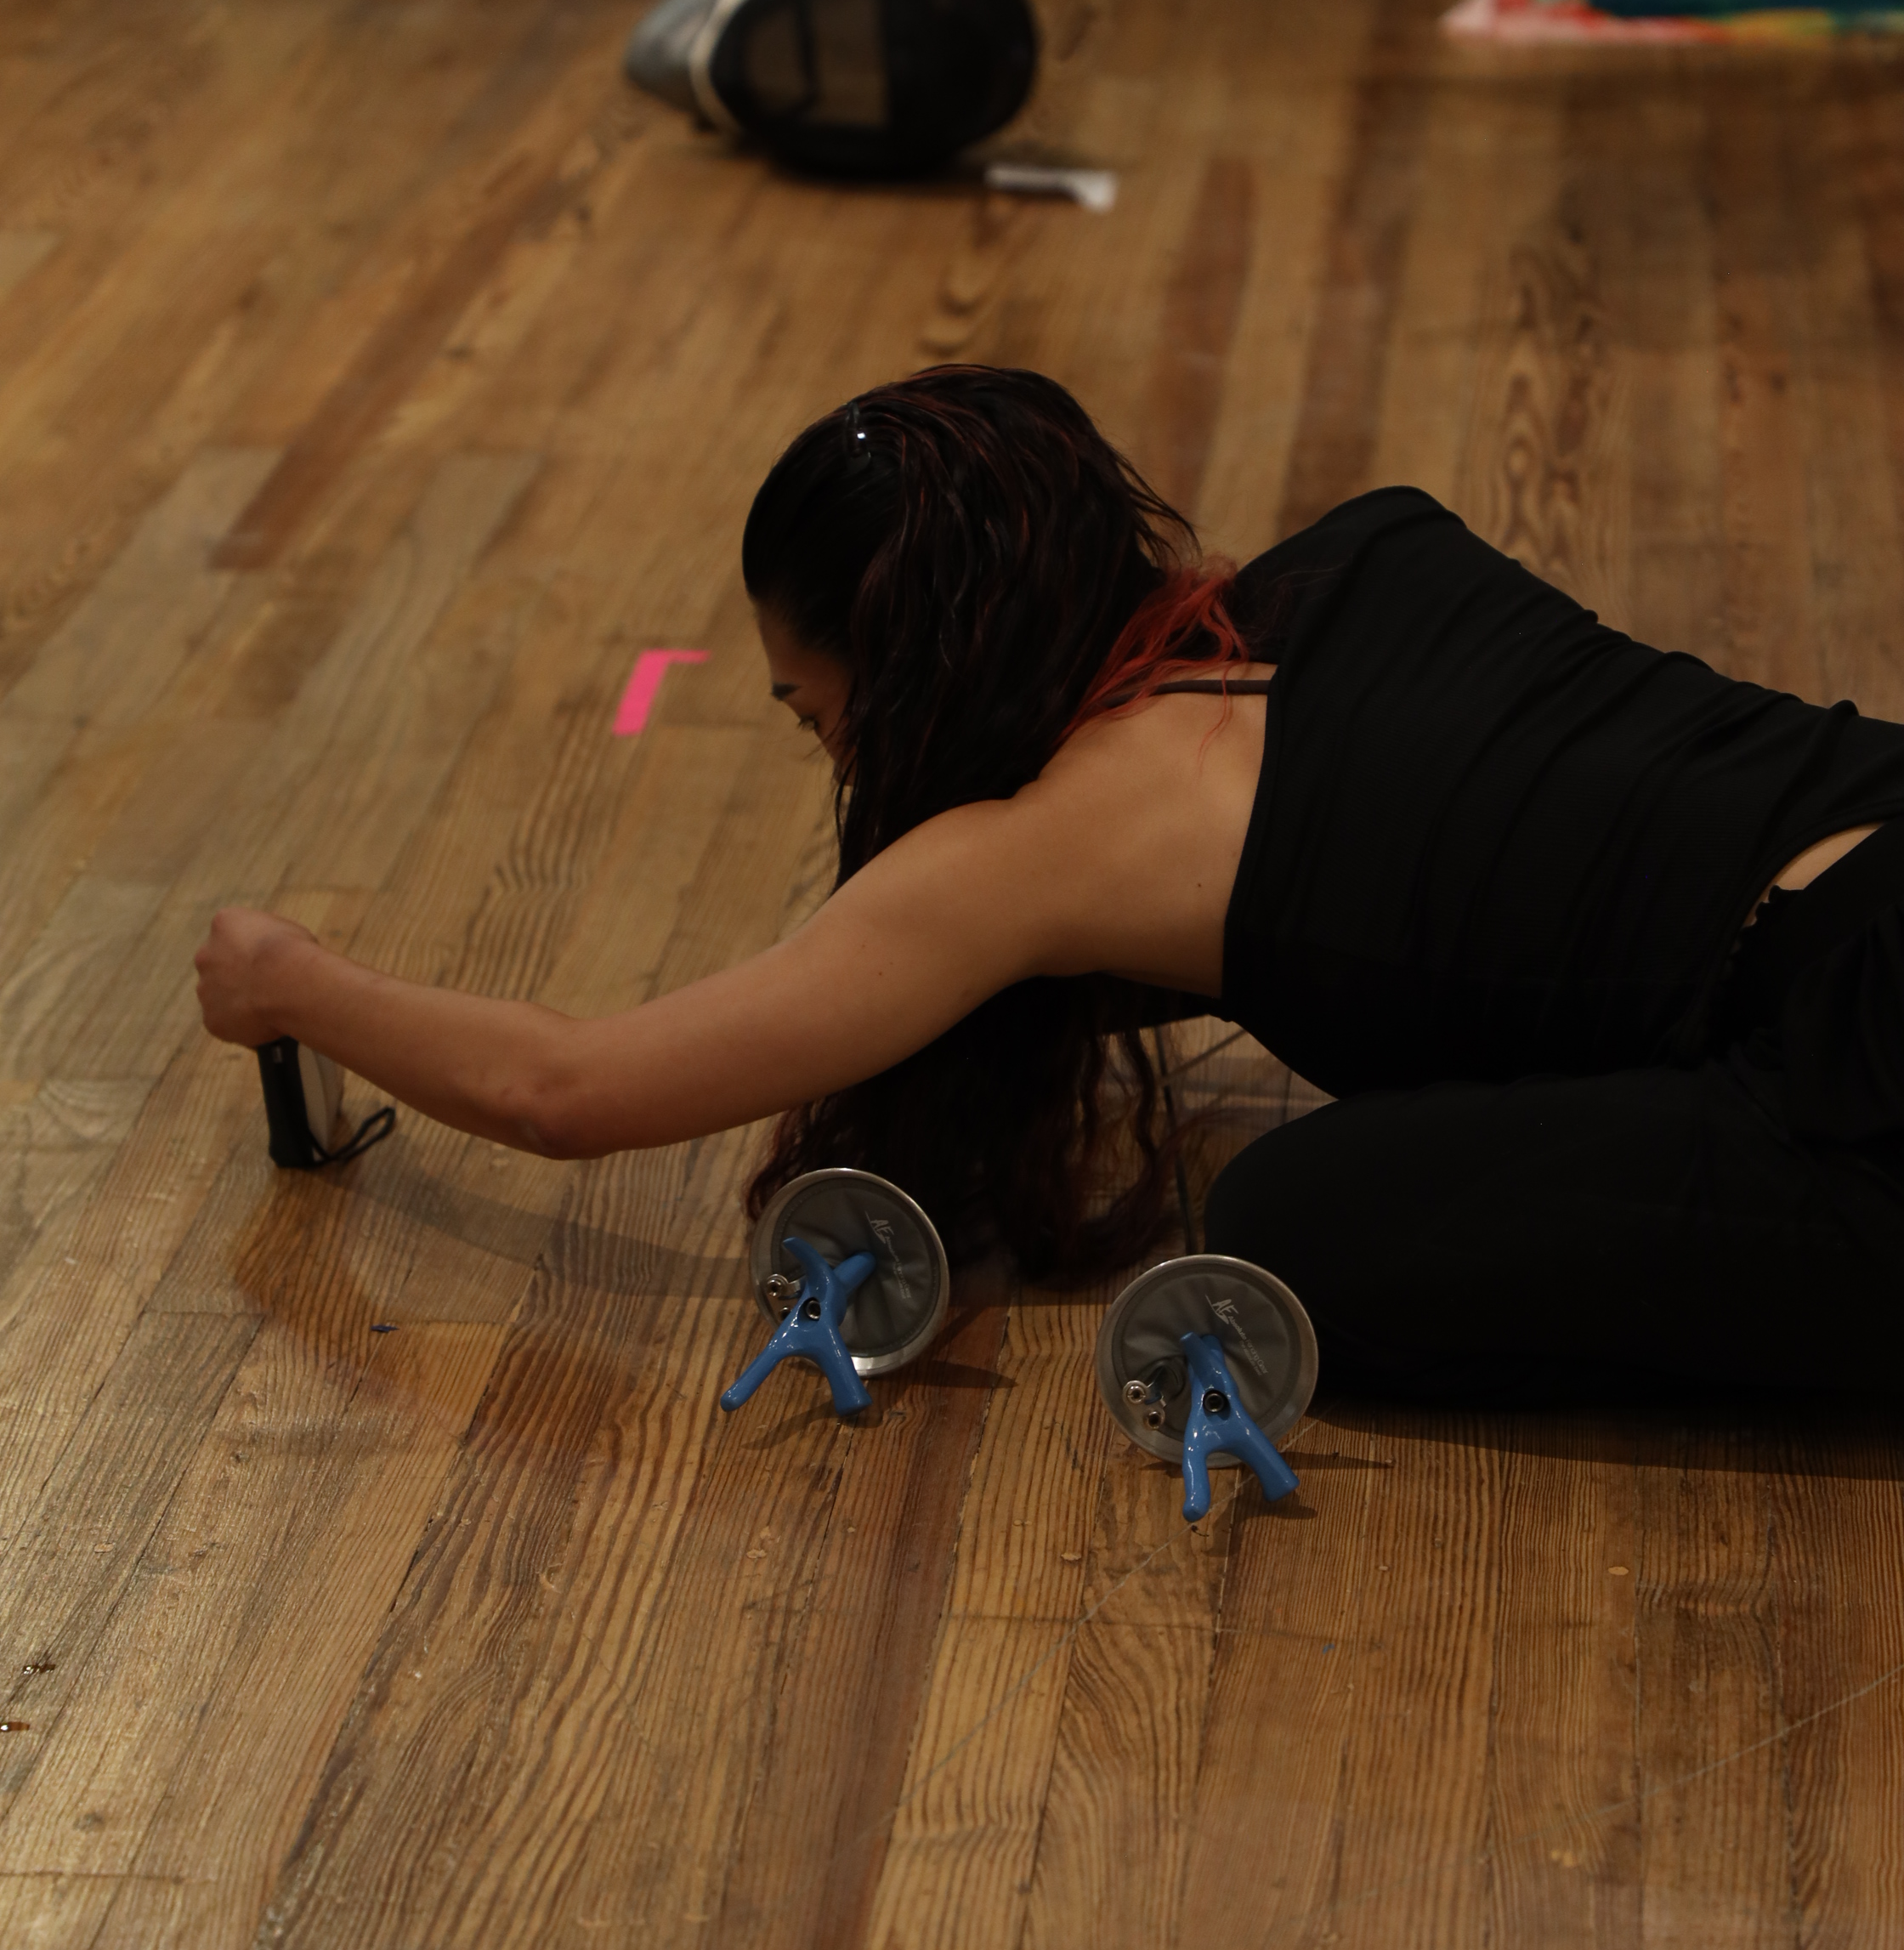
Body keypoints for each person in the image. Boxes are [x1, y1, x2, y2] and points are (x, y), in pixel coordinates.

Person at [196, 366, 1904, 1404]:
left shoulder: (1037, 854)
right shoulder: (1372, 554)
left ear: (908, 680)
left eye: (818, 716)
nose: (835, 758)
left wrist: (296, 985)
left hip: (1871, 1074)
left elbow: (565, 1092)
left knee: (1298, 1229)